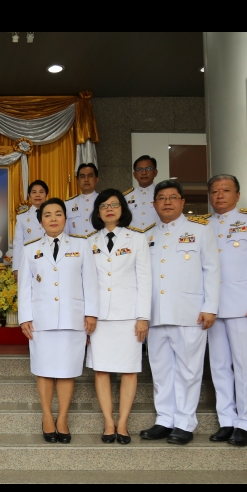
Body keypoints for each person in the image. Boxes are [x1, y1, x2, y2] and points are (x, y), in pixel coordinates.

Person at [140, 179, 220, 445]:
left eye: (173, 197)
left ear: (182, 202)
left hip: (189, 313)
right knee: (161, 370)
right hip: (156, 314)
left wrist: (210, 307)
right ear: (154, 204)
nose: (167, 202)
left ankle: (184, 423)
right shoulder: (147, 234)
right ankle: (165, 419)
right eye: (161, 198)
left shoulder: (200, 229)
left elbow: (212, 269)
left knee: (188, 370)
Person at [18, 198, 98, 444]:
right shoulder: (30, 248)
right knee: (43, 371)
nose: (53, 218)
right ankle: (47, 417)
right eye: (48, 215)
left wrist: (91, 313)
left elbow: (90, 282)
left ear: (65, 218)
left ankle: (62, 418)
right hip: (41, 320)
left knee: (67, 372)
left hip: (72, 319)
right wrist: (25, 317)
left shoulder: (81, 245)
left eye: (58, 214)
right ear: (40, 220)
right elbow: (24, 286)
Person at [204, 174, 247, 447]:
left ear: (237, 194)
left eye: (225, 190)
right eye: (214, 191)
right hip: (213, 306)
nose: (219, 195)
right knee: (219, 365)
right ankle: (227, 420)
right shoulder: (203, 225)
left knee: (244, 366)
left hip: (244, 306)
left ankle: (245, 423)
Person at [86, 189, 152, 445]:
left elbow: (144, 280)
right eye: (103, 205)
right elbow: (86, 282)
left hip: (128, 316)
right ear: (98, 212)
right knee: (101, 370)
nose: (109, 209)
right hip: (99, 317)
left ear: (123, 208)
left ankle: (123, 423)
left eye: (114, 204)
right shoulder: (89, 241)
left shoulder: (137, 239)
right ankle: (108, 423)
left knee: (129, 371)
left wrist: (143, 317)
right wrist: (88, 314)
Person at [13, 179, 49, 277]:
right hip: (30, 262)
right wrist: (16, 268)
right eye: (34, 192)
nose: (37, 195)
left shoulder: (54, 215)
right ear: (29, 195)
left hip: (50, 260)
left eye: (41, 192)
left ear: (46, 194)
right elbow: (18, 243)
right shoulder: (21, 217)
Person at [123, 155, 160, 231]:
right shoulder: (126, 197)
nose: (144, 173)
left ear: (155, 172)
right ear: (134, 175)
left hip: (157, 238)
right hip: (133, 240)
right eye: (139, 169)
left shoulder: (162, 195)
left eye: (148, 169)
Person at [65, 163, 100, 236]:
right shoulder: (68, 204)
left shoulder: (104, 201)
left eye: (90, 176)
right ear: (77, 181)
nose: (86, 180)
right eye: (82, 176)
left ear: (97, 179)